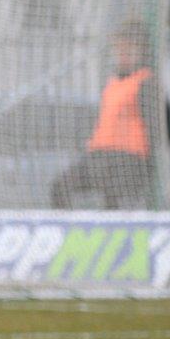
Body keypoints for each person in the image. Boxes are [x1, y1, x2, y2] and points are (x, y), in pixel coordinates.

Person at [50, 23, 158, 209]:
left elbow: (154, 129)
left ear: (141, 51)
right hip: (100, 156)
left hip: (129, 159)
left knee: (112, 195)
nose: (123, 54)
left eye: (129, 49)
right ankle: (72, 225)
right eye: (120, 49)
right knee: (60, 186)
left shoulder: (145, 82)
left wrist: (149, 166)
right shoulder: (113, 82)